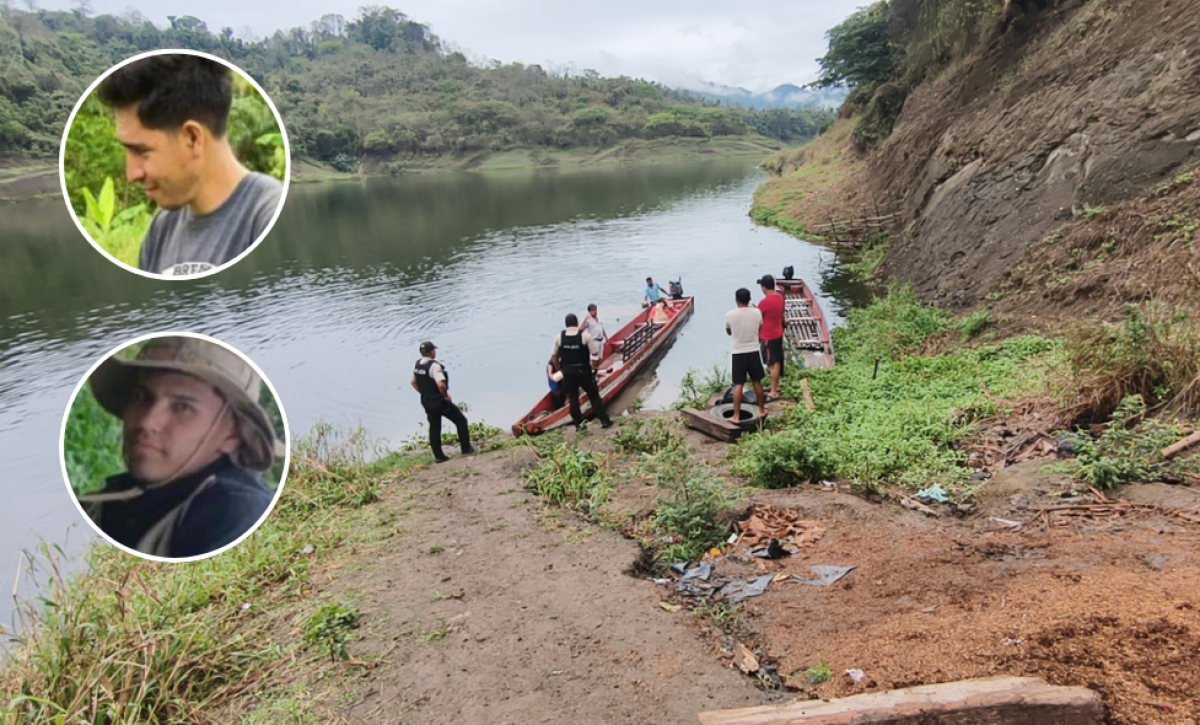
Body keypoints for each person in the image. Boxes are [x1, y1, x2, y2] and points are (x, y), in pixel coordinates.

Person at [75, 336, 279, 558]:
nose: (146, 422)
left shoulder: (239, 511)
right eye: (140, 396)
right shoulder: (108, 503)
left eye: (182, 407)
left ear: (233, 435)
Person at [95, 54, 283, 276]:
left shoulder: (270, 217)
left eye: (141, 152)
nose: (131, 174)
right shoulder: (161, 229)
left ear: (193, 138)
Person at [411, 341, 474, 463]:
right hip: (439, 401)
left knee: (434, 427)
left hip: (426, 400)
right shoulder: (434, 366)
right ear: (432, 352)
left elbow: (413, 382)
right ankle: (466, 448)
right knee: (461, 420)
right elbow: (441, 384)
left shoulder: (417, 365)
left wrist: (424, 393)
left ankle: (439, 456)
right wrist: (445, 396)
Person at [551, 313, 614, 430]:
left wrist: (558, 367)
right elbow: (595, 352)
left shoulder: (559, 337)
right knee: (593, 395)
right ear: (577, 323)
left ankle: (578, 424)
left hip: (568, 372)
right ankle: (604, 421)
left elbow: (554, 356)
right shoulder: (585, 336)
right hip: (583, 370)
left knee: (573, 398)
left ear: (566, 324)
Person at [725, 288, 768, 425]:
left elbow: (729, 332)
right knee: (757, 382)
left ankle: (736, 416)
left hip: (738, 352)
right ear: (749, 299)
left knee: (738, 384)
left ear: (736, 300)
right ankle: (762, 410)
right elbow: (760, 329)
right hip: (753, 350)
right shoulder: (757, 312)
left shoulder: (730, 315)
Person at [756, 273, 785, 401]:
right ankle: (775, 387)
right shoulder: (780, 297)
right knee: (776, 361)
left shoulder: (764, 303)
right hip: (778, 334)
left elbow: (757, 319)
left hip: (768, 337)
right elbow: (781, 315)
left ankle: (773, 393)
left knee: (772, 364)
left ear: (763, 288)